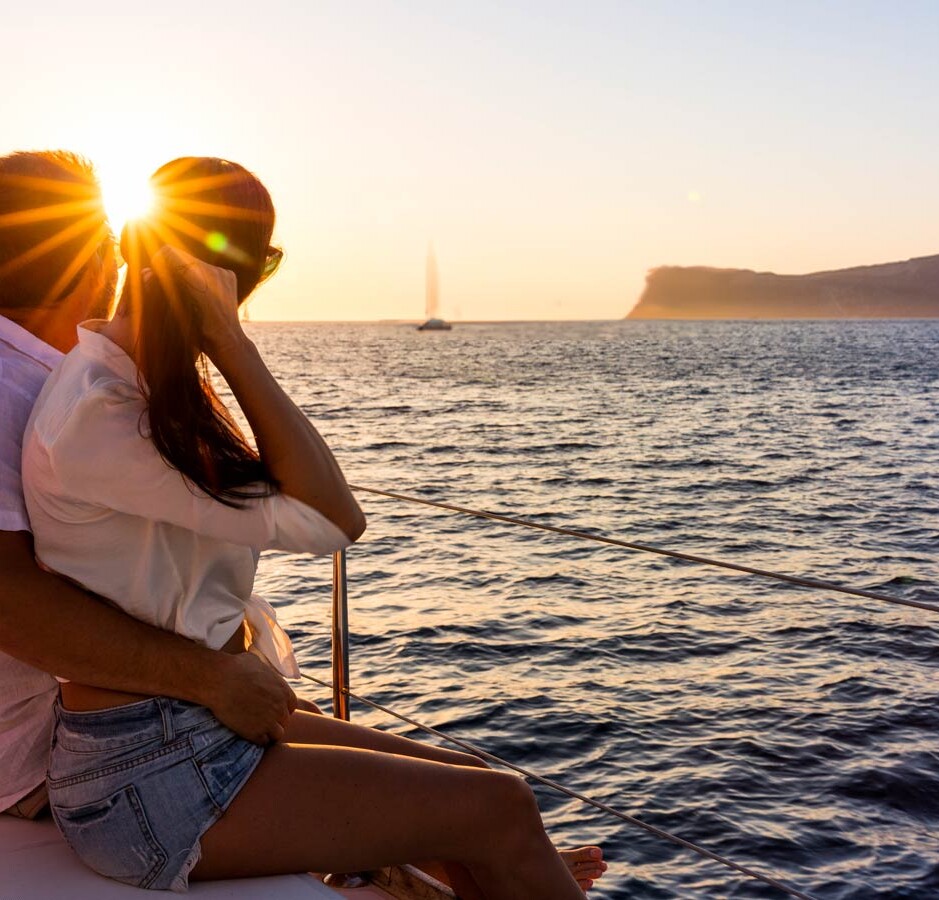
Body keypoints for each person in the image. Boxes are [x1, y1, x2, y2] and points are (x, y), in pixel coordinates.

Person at [21, 156, 606, 899]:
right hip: (142, 776)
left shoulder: (137, 385)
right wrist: (231, 341)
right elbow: (336, 518)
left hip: (181, 731)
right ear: (249, 273)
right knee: (502, 810)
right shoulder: (102, 412)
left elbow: (318, 511)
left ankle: (519, 873)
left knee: (480, 789)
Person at [0, 150, 301, 826]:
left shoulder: (59, 376)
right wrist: (213, 680)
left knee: (453, 806)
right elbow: (8, 602)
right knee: (476, 813)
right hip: (56, 757)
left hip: (115, 719)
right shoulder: (23, 388)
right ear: (100, 261)